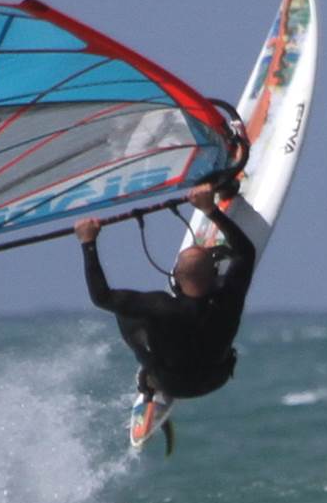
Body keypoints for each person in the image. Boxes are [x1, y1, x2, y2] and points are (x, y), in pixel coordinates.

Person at [77, 173, 257, 449]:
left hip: (170, 383)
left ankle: (148, 381)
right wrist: (210, 210)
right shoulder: (229, 296)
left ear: (175, 278)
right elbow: (246, 252)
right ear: (214, 276)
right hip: (215, 378)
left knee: (124, 311)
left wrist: (88, 242)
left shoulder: (159, 307)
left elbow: (101, 297)